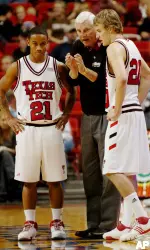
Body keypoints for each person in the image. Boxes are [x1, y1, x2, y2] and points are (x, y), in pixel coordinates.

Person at [0, 26, 76, 241]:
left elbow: (72, 91)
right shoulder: (17, 67)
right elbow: (0, 89)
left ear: (48, 44)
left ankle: (56, 221)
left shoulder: (58, 67)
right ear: (27, 43)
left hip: (52, 128)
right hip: (27, 128)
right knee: (28, 181)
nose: (40, 48)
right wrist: (8, 116)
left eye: (44, 43)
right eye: (35, 43)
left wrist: (67, 113)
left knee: (55, 180)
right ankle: (30, 223)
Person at [94, 9, 150, 241]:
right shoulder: (131, 45)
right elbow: (147, 75)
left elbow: (123, 78)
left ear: (109, 28)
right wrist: (135, 101)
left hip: (123, 115)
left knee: (111, 169)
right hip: (134, 112)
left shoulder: (114, 47)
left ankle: (142, 219)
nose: (98, 37)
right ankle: (125, 224)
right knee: (126, 170)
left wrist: (117, 106)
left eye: (98, 31)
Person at [65, 11, 121, 238]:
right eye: (78, 31)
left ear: (96, 28)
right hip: (88, 116)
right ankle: (93, 224)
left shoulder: (109, 48)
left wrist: (83, 70)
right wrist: (73, 69)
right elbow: (73, 81)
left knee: (108, 172)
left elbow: (101, 84)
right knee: (89, 173)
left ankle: (108, 225)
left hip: (107, 115)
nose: (82, 35)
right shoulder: (78, 46)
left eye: (86, 30)